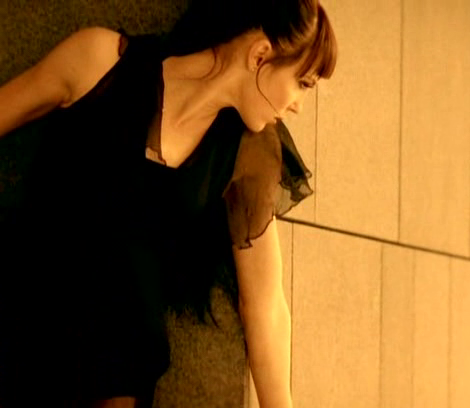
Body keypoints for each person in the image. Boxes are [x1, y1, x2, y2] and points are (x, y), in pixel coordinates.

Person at [0, 0, 337, 407]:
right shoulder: (100, 62)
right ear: (260, 55)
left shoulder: (246, 153)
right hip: (24, 308)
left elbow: (266, 305)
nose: (298, 105)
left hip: (116, 361)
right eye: (303, 82)